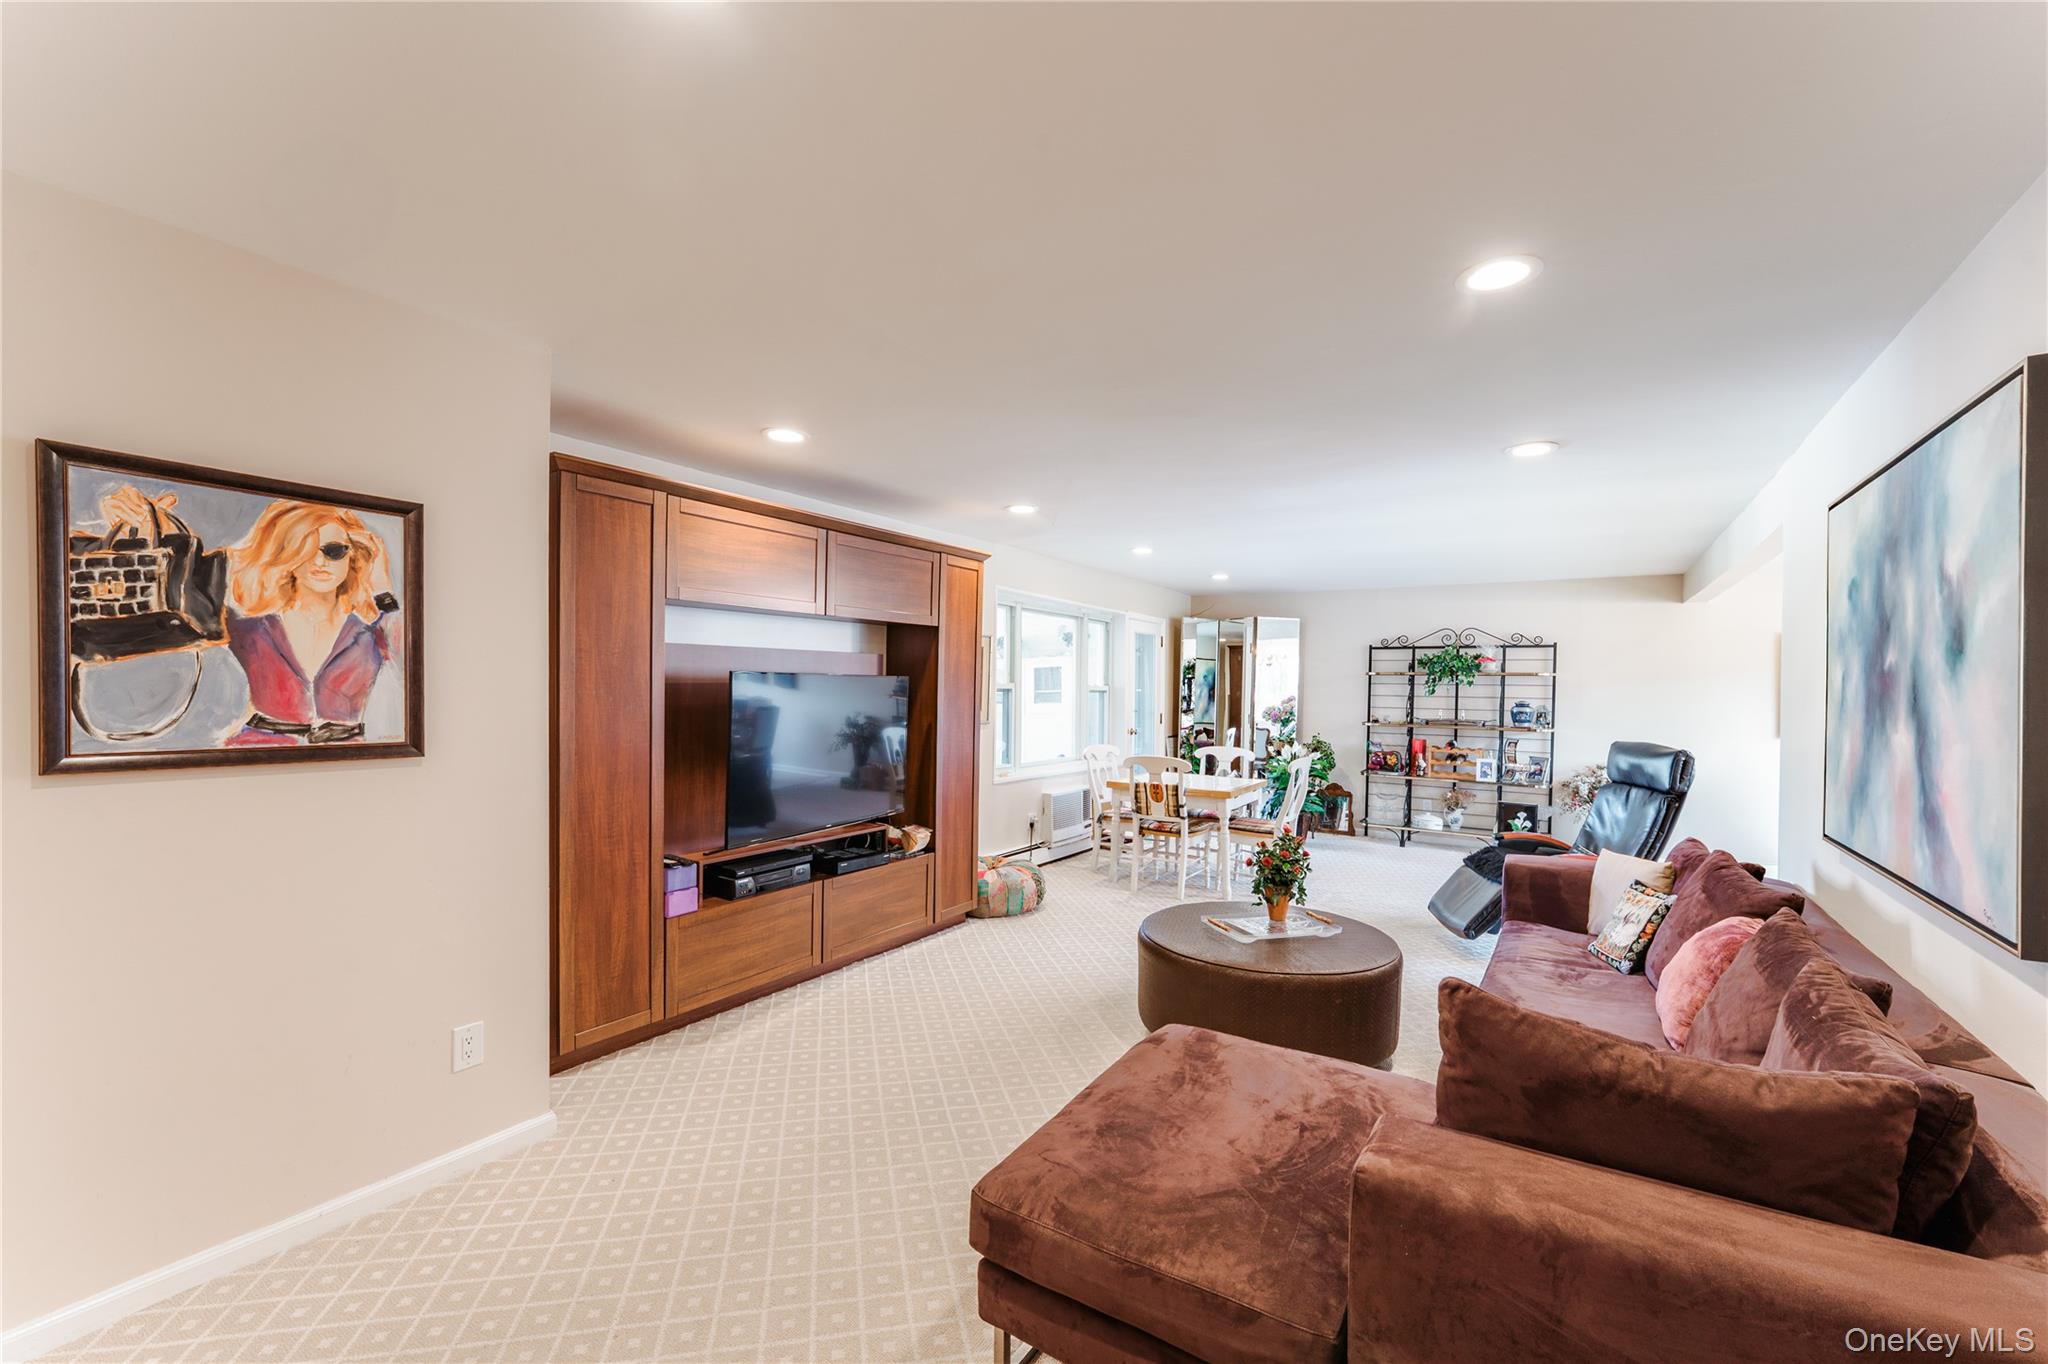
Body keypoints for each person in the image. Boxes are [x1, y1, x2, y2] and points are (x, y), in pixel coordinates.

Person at [97, 485, 401, 746]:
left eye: (334, 550)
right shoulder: (251, 625)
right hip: (259, 752)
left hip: (352, 762)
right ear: (289, 554)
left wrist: (382, 590)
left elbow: (413, 664)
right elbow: (178, 592)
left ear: (355, 555)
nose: (319, 561)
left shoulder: (371, 628)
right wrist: (152, 531)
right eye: (304, 549)